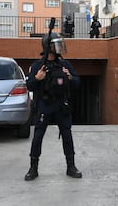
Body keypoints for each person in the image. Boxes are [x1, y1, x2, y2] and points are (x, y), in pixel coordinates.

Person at [24, 32, 82, 180]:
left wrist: (69, 76)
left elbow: (77, 83)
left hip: (61, 105)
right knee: (37, 136)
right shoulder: (38, 66)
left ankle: (71, 166)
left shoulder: (64, 64)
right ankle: (33, 168)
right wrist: (37, 78)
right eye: (56, 44)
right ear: (48, 47)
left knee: (67, 135)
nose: (59, 47)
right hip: (44, 105)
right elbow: (29, 86)